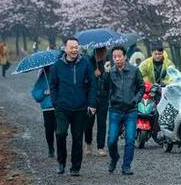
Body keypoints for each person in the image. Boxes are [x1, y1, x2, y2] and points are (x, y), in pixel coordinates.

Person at [50, 36, 97, 176]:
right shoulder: (57, 65)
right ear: (65, 49)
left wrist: (92, 103)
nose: (74, 50)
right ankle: (61, 162)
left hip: (80, 107)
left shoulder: (86, 63)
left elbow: (93, 84)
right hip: (62, 107)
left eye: (76, 47)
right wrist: (55, 102)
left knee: (77, 138)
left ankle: (75, 167)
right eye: (71, 47)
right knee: (60, 133)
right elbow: (53, 86)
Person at [104, 45, 145, 175]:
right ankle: (114, 157)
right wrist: (105, 74)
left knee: (130, 139)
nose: (117, 59)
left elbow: (141, 87)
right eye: (114, 57)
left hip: (130, 110)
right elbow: (104, 89)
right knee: (111, 140)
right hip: (115, 109)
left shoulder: (134, 70)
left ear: (125, 56)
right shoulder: (110, 72)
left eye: (119, 56)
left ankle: (126, 165)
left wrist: (136, 99)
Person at [84, 47, 110, 157]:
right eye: (104, 52)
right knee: (89, 122)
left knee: (102, 122)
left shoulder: (106, 63)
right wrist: (92, 76)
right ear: (98, 52)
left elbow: (109, 83)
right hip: (91, 98)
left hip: (103, 97)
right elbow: (83, 80)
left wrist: (106, 73)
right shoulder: (87, 62)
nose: (105, 54)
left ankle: (101, 146)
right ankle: (88, 143)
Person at [31, 66, 57, 158]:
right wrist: (44, 92)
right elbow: (35, 93)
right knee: (49, 129)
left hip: (59, 106)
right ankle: (51, 148)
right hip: (47, 107)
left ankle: (61, 148)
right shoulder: (42, 77)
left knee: (60, 129)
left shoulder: (59, 75)